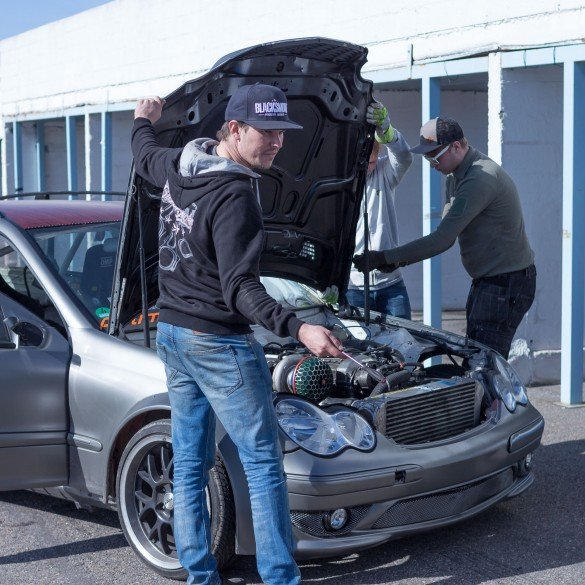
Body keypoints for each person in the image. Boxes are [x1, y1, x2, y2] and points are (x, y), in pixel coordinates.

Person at [131, 84, 344, 585]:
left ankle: (200, 577)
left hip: (174, 333)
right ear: (233, 130)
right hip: (217, 344)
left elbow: (142, 156)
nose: (277, 143)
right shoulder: (235, 194)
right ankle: (279, 578)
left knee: (188, 461)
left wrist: (144, 119)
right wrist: (298, 326)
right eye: (266, 132)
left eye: (281, 133)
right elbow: (240, 289)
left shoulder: (179, 164)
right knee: (264, 463)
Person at [354, 117, 536, 358]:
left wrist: (386, 257)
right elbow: (445, 232)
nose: (431, 164)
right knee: (479, 359)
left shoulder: (479, 179)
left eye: (434, 156)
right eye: (428, 157)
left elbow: (442, 239)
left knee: (483, 364)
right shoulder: (457, 175)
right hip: (490, 281)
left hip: (504, 283)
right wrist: (389, 259)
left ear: (457, 147)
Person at [346, 100, 413, 318]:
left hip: (391, 284)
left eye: (372, 162)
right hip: (353, 286)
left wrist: (386, 130)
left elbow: (404, 157)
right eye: (362, 163)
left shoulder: (384, 172)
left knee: (405, 346)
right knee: (355, 349)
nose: (367, 168)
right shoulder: (339, 182)